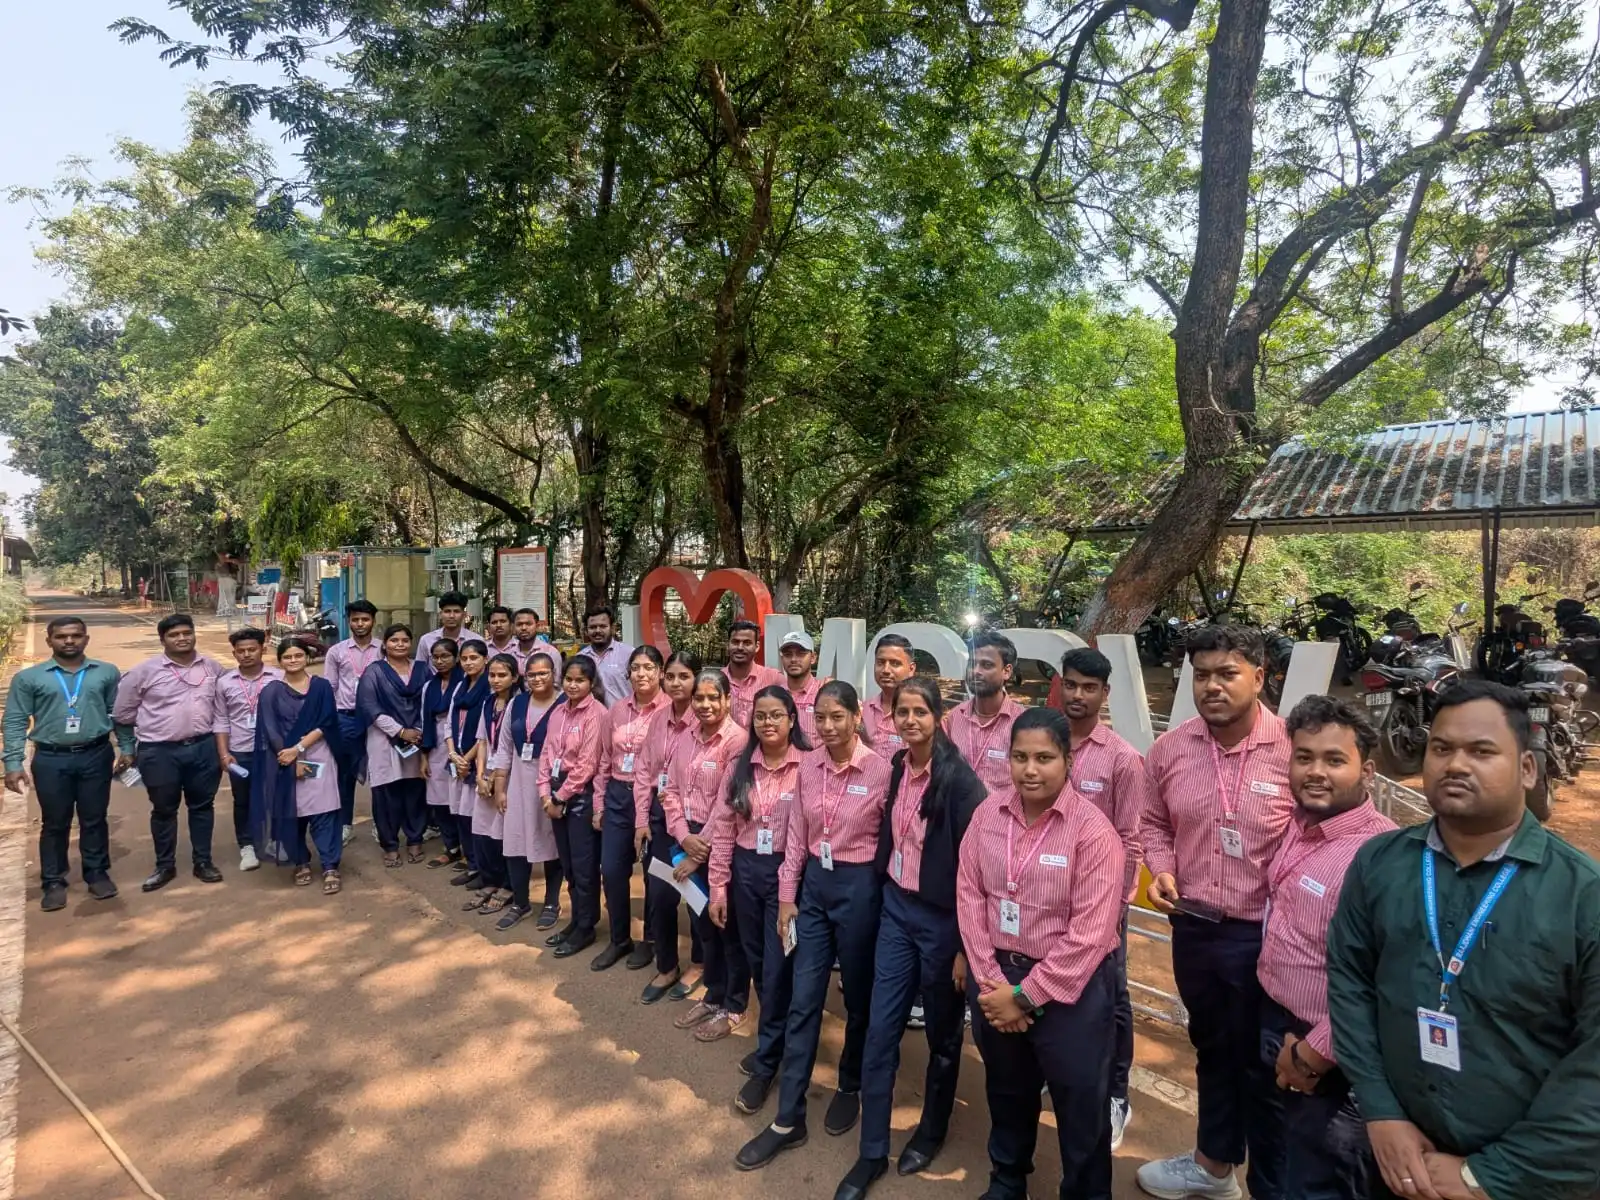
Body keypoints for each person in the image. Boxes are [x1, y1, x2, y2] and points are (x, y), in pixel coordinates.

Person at [1327, 678, 1600, 1200]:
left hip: (1529, 1182)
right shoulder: (1380, 864)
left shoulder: (1581, 896)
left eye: (1481, 751)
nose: (1455, 764)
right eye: (1441, 748)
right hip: (1401, 1161)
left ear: (1527, 768)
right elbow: (1350, 984)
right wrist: (1381, 1112)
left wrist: (1486, 1176)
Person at [1137, 624, 1292, 1200]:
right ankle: (1213, 1166)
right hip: (1196, 931)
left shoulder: (1295, 750)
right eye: (1201, 675)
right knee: (1213, 1049)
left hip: (1270, 938)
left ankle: (1275, 1188)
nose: (1212, 686)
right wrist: (1161, 867)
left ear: (1260, 676)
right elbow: (1152, 821)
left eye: (1227, 673)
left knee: (1271, 1067)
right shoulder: (1170, 750)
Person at [957, 706, 1126, 1200]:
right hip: (997, 979)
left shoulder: (1093, 833)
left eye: (1044, 758)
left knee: (1080, 1106)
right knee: (1007, 1091)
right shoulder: (987, 815)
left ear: (1068, 761)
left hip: (1071, 994)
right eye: (1020, 757)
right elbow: (969, 894)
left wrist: (1024, 997)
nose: (1030, 770)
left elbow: (1091, 933)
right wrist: (992, 983)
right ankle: (1008, 1181)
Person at [835, 676, 987, 1200]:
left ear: (939, 716)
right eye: (903, 712)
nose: (910, 720)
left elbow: (975, 872)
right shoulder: (899, 766)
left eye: (921, 711)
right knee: (881, 1029)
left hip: (943, 922)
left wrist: (966, 946)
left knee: (943, 1035)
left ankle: (932, 1128)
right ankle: (872, 1150)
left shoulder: (961, 783)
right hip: (897, 912)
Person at [736, 682, 891, 1170]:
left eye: (837, 717)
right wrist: (787, 898)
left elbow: (892, 843)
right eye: (820, 717)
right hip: (814, 893)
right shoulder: (809, 767)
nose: (827, 726)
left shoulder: (882, 771)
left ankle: (850, 1082)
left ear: (857, 717)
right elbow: (797, 838)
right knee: (804, 999)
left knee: (858, 996)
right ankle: (789, 1118)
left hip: (860, 889)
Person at [1257, 695, 1395, 1200]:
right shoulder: (1300, 825)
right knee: (1276, 1161)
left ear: (1367, 771)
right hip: (1278, 1023)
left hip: (1331, 1057)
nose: (1316, 772)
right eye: (1305, 757)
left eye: (1335, 760)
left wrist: (1315, 1052)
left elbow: (1384, 980)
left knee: (1319, 1179)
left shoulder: (1378, 858)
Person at [1056, 646, 1151, 1150]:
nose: (1078, 695)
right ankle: (1060, 1075)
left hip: (1100, 907)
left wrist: (1114, 910)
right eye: (1071, 684)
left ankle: (1116, 1095)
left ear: (1105, 693)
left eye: (1089, 688)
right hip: (1046, 899)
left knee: (1111, 998)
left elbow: (1130, 839)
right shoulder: (1046, 742)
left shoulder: (1122, 759)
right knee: (1055, 988)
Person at [709, 685, 810, 1113]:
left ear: (792, 719)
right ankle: (777, 1040)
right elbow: (723, 826)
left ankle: (769, 1061)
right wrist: (718, 885)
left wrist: (788, 887)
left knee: (778, 966)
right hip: (746, 872)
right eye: (761, 716)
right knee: (757, 963)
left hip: (788, 875)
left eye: (776, 715)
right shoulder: (741, 765)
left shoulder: (808, 766)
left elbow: (805, 836)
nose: (767, 723)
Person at [3, 616, 131, 910]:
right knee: (55, 821)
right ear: (49, 641)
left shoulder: (106, 672)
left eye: (75, 635)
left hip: (95, 754)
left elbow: (119, 713)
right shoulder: (30, 678)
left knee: (94, 817)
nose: (69, 641)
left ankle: (96, 873)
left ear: (86, 639)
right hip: (51, 758)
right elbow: (14, 720)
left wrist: (126, 747)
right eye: (61, 636)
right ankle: (53, 880)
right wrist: (12, 763)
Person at [662, 669, 751, 1042]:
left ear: (728, 699)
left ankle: (735, 1005)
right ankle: (713, 995)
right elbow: (669, 790)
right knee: (703, 926)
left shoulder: (738, 741)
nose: (705, 704)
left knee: (727, 928)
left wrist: (699, 853)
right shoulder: (685, 737)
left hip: (722, 844)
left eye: (714, 697)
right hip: (687, 840)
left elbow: (728, 804)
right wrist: (683, 836)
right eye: (699, 697)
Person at [113, 613, 226, 892]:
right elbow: (123, 714)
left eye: (187, 633)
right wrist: (139, 739)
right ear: (162, 639)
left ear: (194, 634)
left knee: (202, 806)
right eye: (174, 635)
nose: (182, 638)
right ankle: (164, 866)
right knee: (164, 810)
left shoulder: (213, 668)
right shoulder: (143, 672)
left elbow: (225, 705)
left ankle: (203, 862)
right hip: (159, 752)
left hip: (203, 748)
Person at [591, 645, 670, 971]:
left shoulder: (670, 711)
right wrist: (599, 803)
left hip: (654, 799)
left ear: (660, 673)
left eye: (649, 667)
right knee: (611, 870)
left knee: (653, 873)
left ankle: (650, 940)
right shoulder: (616, 710)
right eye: (635, 668)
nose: (641, 674)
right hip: (618, 797)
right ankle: (619, 938)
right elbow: (604, 759)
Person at [636, 650, 708, 1003]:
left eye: (684, 676)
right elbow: (643, 770)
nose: (676, 683)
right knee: (661, 897)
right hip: (661, 820)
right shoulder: (658, 719)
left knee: (696, 899)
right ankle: (666, 966)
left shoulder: (706, 716)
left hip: (696, 826)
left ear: (696, 678)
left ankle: (700, 963)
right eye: (671, 676)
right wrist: (641, 819)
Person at [249, 640, 344, 893]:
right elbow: (270, 729)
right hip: (283, 759)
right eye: (288, 657)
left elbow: (327, 722)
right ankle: (300, 861)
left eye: (298, 655)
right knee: (294, 811)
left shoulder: (321, 686)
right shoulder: (271, 691)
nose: (293, 660)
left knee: (325, 809)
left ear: (307, 657)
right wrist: (289, 757)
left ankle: (330, 865)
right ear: (280, 661)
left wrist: (298, 749)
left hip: (319, 753)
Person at [488, 651, 566, 930]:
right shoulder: (518, 703)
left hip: (554, 782)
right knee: (516, 840)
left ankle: (551, 902)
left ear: (554, 674)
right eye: (531, 674)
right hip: (519, 780)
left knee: (551, 842)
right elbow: (504, 746)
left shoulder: (565, 703)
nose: (537, 679)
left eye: (543, 673)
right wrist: (500, 787)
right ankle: (520, 902)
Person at [539, 655, 608, 956]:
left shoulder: (597, 714)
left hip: (580, 797)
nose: (573, 685)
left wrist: (559, 798)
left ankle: (586, 926)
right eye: (568, 679)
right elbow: (546, 754)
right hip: (555, 793)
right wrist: (545, 794)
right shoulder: (558, 711)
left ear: (591, 683)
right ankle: (577, 919)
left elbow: (587, 765)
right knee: (567, 864)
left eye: (580, 680)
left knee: (584, 866)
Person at [355, 623, 429, 868]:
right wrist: (400, 731)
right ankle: (390, 845)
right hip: (383, 739)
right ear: (385, 644)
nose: (400, 644)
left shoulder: (422, 670)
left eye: (405, 640)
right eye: (394, 640)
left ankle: (415, 839)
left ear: (411, 643)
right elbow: (369, 705)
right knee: (386, 794)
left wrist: (417, 730)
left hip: (416, 740)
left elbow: (429, 702)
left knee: (414, 791)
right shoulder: (374, 672)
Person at [212, 627, 282, 874]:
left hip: (272, 750)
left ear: (263, 649)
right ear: (234, 653)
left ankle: (274, 839)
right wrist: (224, 753)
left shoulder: (278, 678)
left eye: (252, 649)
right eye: (241, 651)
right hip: (240, 751)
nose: (247, 654)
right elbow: (221, 719)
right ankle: (247, 846)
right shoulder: (225, 683)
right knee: (242, 800)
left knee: (275, 796)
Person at [462, 653, 521, 915]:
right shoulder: (488, 702)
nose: (496, 680)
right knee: (482, 830)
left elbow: (510, 747)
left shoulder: (519, 704)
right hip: (486, 775)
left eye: (502, 675)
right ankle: (490, 880)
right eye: (492, 675)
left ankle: (508, 885)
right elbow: (483, 741)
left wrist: (495, 778)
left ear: (515, 677)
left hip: (509, 775)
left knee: (505, 833)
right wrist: (479, 775)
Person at [322, 599, 381, 844]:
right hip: (345, 717)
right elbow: (330, 687)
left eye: (365, 619)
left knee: (379, 772)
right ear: (349, 622)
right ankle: (345, 824)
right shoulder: (336, 652)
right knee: (344, 774)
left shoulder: (383, 649)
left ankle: (381, 824)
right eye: (355, 619)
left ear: (373, 621)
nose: (360, 624)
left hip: (376, 720)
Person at [946, 631, 1027, 795]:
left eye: (987, 665)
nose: (976, 671)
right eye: (972, 664)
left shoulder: (1023, 724)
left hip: (1002, 811)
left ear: (1006, 671)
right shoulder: (954, 718)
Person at [445, 639, 493, 886]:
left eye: (474, 658)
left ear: (485, 659)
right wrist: (453, 754)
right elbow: (449, 723)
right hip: (458, 760)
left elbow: (486, 732)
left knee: (478, 818)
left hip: (476, 761)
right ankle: (472, 864)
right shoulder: (459, 687)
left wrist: (467, 758)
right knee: (461, 816)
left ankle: (484, 869)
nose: (468, 663)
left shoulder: (490, 688)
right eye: (464, 659)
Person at [420, 639, 466, 868]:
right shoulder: (429, 686)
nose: (440, 661)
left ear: (456, 658)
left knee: (462, 798)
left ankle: (469, 851)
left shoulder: (466, 682)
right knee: (440, 799)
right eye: (435, 657)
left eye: (445, 656)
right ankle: (451, 847)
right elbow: (424, 719)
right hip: (436, 745)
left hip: (461, 744)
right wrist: (424, 756)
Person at [861, 634, 916, 762]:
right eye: (880, 662)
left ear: (911, 669)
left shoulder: (920, 715)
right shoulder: (862, 711)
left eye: (895, 663)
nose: (885, 670)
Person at [726, 619, 783, 726]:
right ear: (728, 645)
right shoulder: (717, 680)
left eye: (747, 643)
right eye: (735, 642)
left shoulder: (773, 678)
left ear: (757, 646)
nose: (740, 647)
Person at [578, 605, 633, 709]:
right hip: (590, 717)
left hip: (624, 717)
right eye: (592, 627)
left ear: (613, 628)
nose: (597, 630)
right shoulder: (580, 658)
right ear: (586, 630)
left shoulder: (628, 654)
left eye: (603, 626)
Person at [777, 631, 825, 743]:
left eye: (801, 654)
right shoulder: (776, 695)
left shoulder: (825, 693)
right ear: (782, 659)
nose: (793, 659)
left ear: (813, 658)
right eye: (788, 654)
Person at [416, 591, 471, 668]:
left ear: (464, 615)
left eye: (456, 611)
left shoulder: (475, 640)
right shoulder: (426, 640)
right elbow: (419, 670)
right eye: (447, 611)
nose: (451, 616)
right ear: (440, 614)